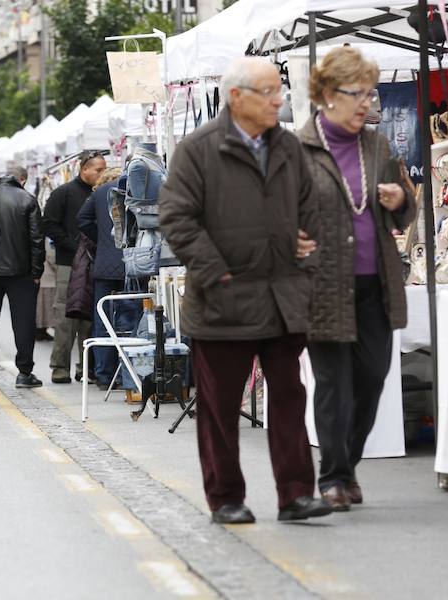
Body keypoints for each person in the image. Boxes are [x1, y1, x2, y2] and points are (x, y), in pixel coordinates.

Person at [160, 57, 332, 524]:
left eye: (281, 90)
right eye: (270, 92)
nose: (281, 99)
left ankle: (296, 495)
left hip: (281, 298)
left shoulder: (289, 148)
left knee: (289, 398)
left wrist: (307, 261)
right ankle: (226, 497)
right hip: (223, 299)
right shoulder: (198, 149)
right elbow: (176, 217)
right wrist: (217, 273)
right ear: (237, 97)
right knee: (219, 408)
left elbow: (311, 209)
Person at [298, 47, 415, 511]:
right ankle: (333, 477)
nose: (366, 103)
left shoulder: (378, 145)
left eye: (370, 93)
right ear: (327, 95)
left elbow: (406, 208)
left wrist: (398, 199)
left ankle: (347, 464)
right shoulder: (298, 148)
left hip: (376, 284)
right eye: (356, 93)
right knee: (334, 386)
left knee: (372, 379)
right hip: (322, 285)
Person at [42, 150, 106, 383]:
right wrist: (71, 245)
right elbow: (48, 224)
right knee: (65, 316)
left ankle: (86, 367)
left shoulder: (102, 193)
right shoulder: (64, 193)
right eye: (98, 169)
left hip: (94, 263)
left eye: (103, 169)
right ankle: (59, 366)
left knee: (89, 317)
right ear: (84, 169)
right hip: (68, 263)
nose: (101, 173)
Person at [0, 166, 45, 389]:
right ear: (22, 181)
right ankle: (24, 372)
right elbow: (37, 240)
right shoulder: (27, 198)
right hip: (21, 271)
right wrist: (36, 272)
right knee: (24, 323)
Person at [78, 167, 139, 390]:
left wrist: (101, 240)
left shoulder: (98, 193)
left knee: (102, 319)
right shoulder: (135, 190)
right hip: (131, 263)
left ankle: (104, 375)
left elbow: (82, 219)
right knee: (131, 320)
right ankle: (128, 374)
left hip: (104, 264)